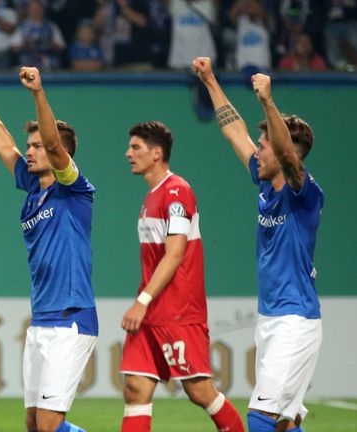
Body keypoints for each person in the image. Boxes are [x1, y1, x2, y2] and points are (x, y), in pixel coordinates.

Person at [193, 57, 323, 432]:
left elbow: (287, 157)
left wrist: (268, 101)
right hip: (271, 319)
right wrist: (210, 80)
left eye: (264, 145)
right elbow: (234, 131)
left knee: (260, 418)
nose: (257, 151)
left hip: (294, 321)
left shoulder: (304, 193)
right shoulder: (266, 182)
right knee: (284, 423)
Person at [0, 68, 97, 432]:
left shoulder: (73, 189)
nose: (30, 151)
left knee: (50, 424)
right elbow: (1, 146)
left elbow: (54, 147)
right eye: (30, 145)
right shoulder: (32, 188)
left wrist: (38, 93)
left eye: (37, 145)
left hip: (71, 318)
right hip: (41, 319)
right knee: (34, 423)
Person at [119, 121, 244, 432]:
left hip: (177, 311)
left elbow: (175, 254)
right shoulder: (151, 196)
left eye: (136, 147)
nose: (128, 154)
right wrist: (145, 303)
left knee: (199, 391)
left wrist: (142, 301)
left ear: (157, 153)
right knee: (135, 388)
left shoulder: (177, 191)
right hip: (150, 312)